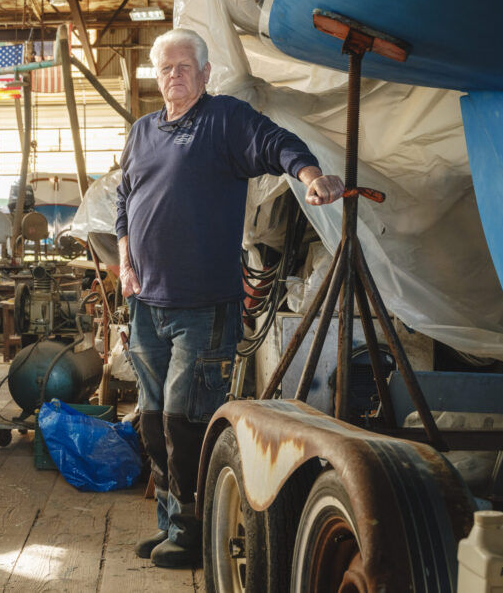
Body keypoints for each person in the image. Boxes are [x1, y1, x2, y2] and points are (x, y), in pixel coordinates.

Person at [116, 29, 343, 568]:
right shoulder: (142, 131)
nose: (174, 75)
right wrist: (125, 262)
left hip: (203, 305)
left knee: (186, 419)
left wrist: (311, 175)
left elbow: (277, 144)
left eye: (184, 66)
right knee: (153, 419)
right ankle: (170, 522)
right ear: (156, 76)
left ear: (205, 72)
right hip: (146, 302)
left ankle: (195, 531)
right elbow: (124, 200)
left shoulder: (223, 120)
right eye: (166, 68)